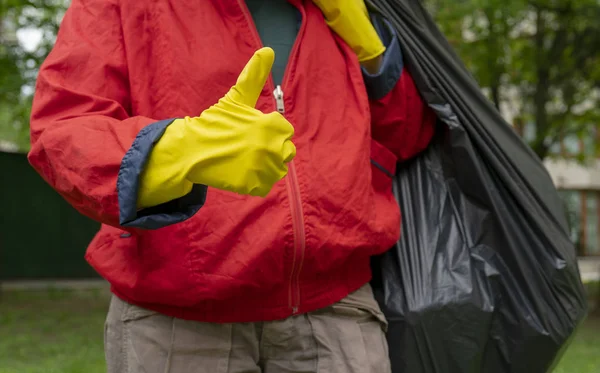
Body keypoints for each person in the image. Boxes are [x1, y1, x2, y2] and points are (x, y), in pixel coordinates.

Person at [28, 0, 436, 372]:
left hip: (337, 312)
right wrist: (175, 151)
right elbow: (63, 129)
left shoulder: (352, 9)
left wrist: (374, 54)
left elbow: (407, 136)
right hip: (178, 324)